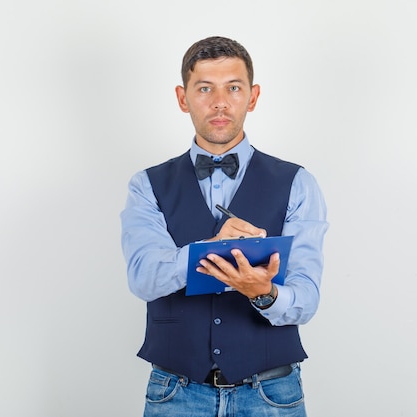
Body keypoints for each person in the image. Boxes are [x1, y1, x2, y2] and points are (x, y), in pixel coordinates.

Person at [120, 36, 328, 417]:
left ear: (253, 96)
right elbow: (143, 278)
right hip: (175, 392)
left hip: (272, 393)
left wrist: (264, 292)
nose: (220, 102)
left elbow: (307, 295)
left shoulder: (298, 183)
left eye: (233, 88)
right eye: (205, 89)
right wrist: (209, 247)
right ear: (183, 98)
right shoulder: (146, 185)